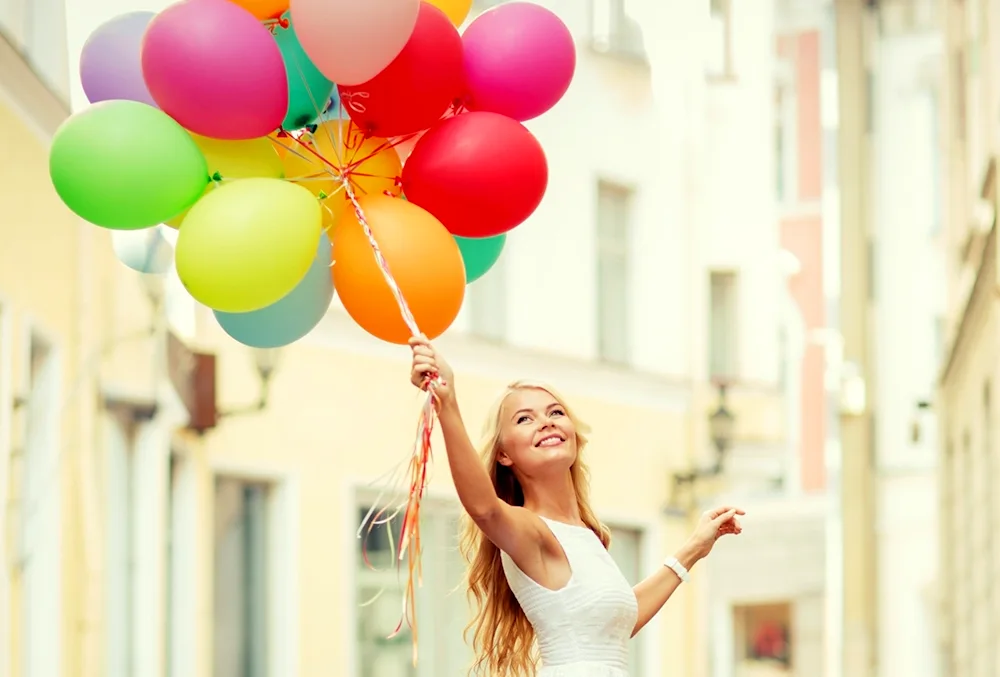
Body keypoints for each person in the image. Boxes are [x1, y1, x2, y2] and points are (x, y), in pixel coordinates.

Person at [409, 335, 744, 677]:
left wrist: (694, 548)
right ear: (504, 454)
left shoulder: (585, 535)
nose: (546, 422)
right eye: (525, 419)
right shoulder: (532, 531)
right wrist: (447, 403)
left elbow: (619, 622)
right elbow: (484, 509)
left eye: (555, 412)